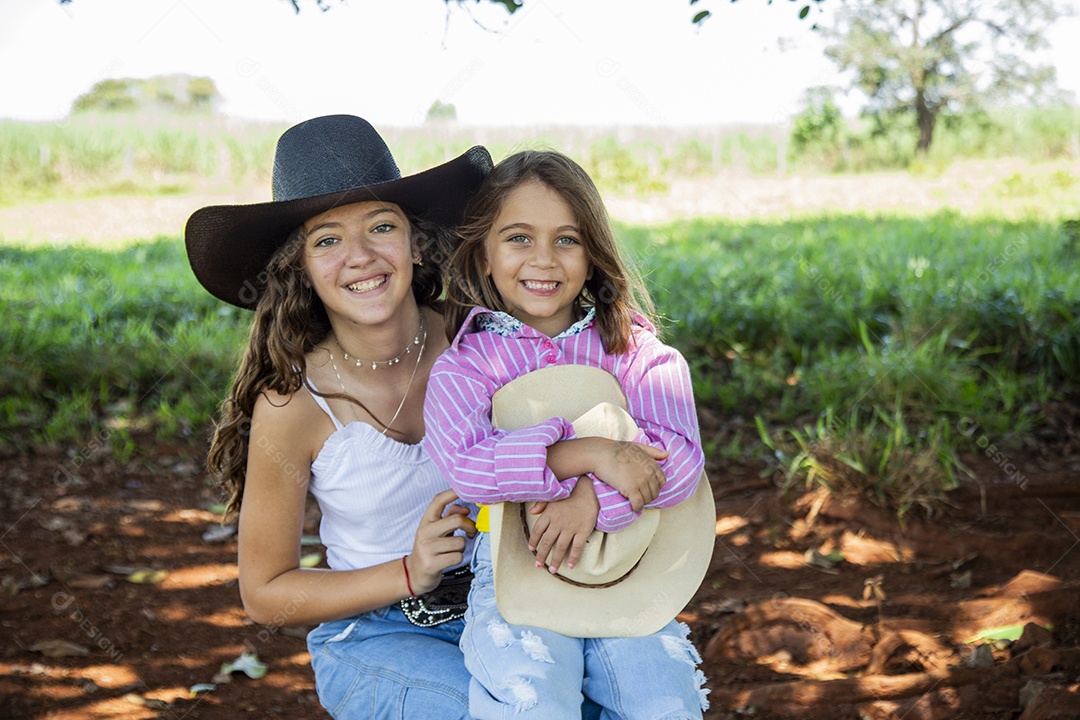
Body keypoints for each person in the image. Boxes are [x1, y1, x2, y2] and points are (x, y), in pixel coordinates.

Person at [183, 114, 493, 719]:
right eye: (326, 240)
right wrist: (409, 571)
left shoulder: (478, 340)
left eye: (382, 227)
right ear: (299, 265)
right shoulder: (294, 404)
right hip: (375, 634)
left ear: (416, 242)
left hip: (505, 605)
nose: (360, 257)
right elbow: (265, 593)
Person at [423, 149, 712, 719]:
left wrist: (591, 499)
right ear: (482, 254)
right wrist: (590, 453)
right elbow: (468, 466)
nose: (544, 259)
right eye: (519, 238)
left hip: (627, 562)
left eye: (567, 239)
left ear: (593, 253)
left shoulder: (632, 351)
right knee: (533, 700)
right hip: (515, 561)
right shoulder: (466, 366)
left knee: (664, 701)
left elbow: (678, 460)